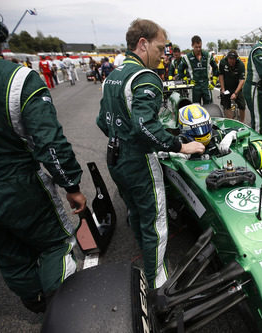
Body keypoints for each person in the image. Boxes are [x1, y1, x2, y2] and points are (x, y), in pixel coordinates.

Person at [0, 1, 86, 313]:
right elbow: (51, 143)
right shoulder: (14, 77)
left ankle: (35, 302)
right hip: (16, 187)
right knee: (56, 244)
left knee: (8, 252)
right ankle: (65, 312)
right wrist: (72, 185)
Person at [96, 18, 205, 288]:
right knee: (155, 224)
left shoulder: (113, 75)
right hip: (139, 162)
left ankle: (144, 250)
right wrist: (180, 146)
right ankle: (158, 285)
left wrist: (122, 138)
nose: (163, 54)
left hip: (115, 158)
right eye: (160, 47)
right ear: (143, 44)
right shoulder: (145, 77)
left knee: (135, 211)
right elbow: (145, 125)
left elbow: (102, 121)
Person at [178, 35, 219, 105]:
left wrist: (214, 81)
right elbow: (180, 70)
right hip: (194, 87)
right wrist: (187, 80)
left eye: (200, 47)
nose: (198, 49)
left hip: (206, 85)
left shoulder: (208, 55)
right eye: (196, 47)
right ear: (192, 45)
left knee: (209, 107)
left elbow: (215, 68)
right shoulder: (187, 57)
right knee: (195, 108)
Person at [218, 50, 246, 122]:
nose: (232, 61)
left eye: (233, 59)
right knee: (226, 104)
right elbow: (221, 75)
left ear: (236, 59)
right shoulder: (223, 62)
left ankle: (242, 122)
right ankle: (230, 121)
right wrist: (223, 88)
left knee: (242, 105)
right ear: (227, 58)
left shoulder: (240, 65)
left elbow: (242, 80)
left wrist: (236, 93)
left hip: (237, 87)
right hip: (226, 87)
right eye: (230, 59)